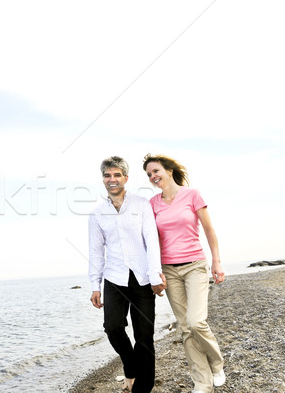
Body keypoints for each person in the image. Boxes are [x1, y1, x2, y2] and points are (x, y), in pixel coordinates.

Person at [143, 153, 226, 393]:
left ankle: (217, 363)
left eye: (156, 171)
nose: (152, 176)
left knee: (196, 321)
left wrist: (216, 262)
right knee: (185, 327)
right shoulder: (153, 204)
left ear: (169, 171)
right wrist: (155, 273)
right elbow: (153, 240)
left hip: (194, 266)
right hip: (169, 269)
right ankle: (202, 382)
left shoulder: (192, 195)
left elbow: (209, 231)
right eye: (149, 174)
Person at [89, 156, 166, 393]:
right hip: (114, 278)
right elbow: (95, 251)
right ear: (103, 179)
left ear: (125, 178)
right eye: (107, 175)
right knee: (112, 327)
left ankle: (143, 388)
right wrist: (95, 284)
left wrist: (155, 276)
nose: (112, 180)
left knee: (144, 336)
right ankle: (130, 367)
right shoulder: (97, 213)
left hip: (142, 277)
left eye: (117, 175)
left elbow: (152, 242)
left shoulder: (142, 205)